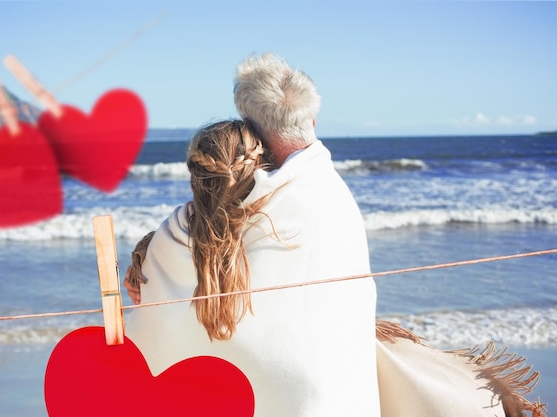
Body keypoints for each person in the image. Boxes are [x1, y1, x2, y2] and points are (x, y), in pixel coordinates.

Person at [124, 53, 546, 417]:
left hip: (242, 392)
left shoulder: (203, 217)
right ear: (312, 118)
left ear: (249, 125)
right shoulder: (328, 195)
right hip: (328, 393)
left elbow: (194, 242)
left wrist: (148, 251)